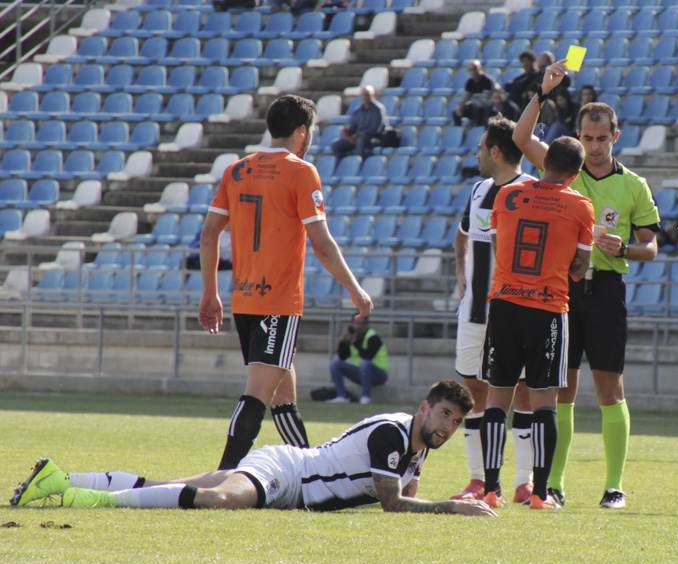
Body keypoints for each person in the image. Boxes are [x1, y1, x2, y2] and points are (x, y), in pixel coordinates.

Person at [513, 60, 661, 510]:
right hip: (562, 291)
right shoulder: (564, 167)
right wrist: (543, 91)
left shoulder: (633, 186)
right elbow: (520, 139)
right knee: (563, 390)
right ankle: (553, 484)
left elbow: (650, 249)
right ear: (578, 137)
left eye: (602, 138)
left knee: (610, 390)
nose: (594, 146)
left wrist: (622, 250)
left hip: (607, 291)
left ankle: (613, 487)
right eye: (588, 138)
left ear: (615, 137)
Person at [10, 380, 497, 517]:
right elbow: (393, 503)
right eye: (445, 415)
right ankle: (88, 500)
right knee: (218, 500)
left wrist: (433, 499)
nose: (450, 427)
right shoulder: (393, 433)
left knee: (176, 486)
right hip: (288, 472)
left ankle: (63, 480)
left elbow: (407, 492)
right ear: (424, 407)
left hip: (294, 481)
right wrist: (454, 508)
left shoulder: (417, 443)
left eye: (456, 421)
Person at [198, 95, 373, 471]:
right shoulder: (301, 172)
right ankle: (223, 475)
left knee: (282, 394)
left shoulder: (237, 170)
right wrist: (355, 289)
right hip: (277, 301)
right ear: (302, 132)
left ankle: (312, 469)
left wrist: (210, 292)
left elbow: (209, 234)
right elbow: (323, 244)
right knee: (258, 395)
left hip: (244, 300)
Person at [479, 136, 594, 511]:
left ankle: (491, 489)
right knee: (545, 402)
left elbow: (498, 247)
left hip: (505, 304)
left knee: (498, 397)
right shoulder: (580, 206)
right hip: (547, 308)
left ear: (545, 163)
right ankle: (541, 495)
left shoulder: (507, 195)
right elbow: (579, 269)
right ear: (576, 174)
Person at [450, 117, 539, 505]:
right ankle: (477, 480)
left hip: (515, 312)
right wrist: (461, 271)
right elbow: (463, 231)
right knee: (473, 391)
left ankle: (524, 482)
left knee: (520, 392)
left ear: (496, 151)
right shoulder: (479, 189)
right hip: (474, 313)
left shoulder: (533, 191)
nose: (477, 153)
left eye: (482, 147)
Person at [325, 316, 388, 405]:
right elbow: (342, 357)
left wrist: (355, 342)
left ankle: (365, 397)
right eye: (357, 324)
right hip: (361, 374)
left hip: (379, 374)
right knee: (334, 363)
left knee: (365, 363)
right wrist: (344, 340)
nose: (359, 326)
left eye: (362, 324)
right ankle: (342, 396)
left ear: (367, 325)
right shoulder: (353, 337)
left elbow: (367, 356)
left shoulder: (373, 337)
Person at [330, 86, 387, 159]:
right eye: (363, 95)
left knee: (360, 141)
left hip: (372, 139)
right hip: (356, 138)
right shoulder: (358, 111)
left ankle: (361, 164)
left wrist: (357, 135)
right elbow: (353, 128)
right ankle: (348, 163)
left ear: (372, 95)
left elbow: (375, 130)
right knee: (335, 145)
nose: (365, 97)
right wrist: (348, 135)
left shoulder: (378, 109)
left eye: (367, 94)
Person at [453, 60, 498, 126]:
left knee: (478, 109)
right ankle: (458, 131)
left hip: (486, 109)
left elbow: (486, 100)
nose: (473, 72)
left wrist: (471, 104)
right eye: (470, 70)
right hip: (475, 106)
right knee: (456, 112)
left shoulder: (487, 81)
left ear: (480, 68)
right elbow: (465, 97)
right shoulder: (469, 82)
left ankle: (480, 129)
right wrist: (461, 106)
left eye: (475, 69)